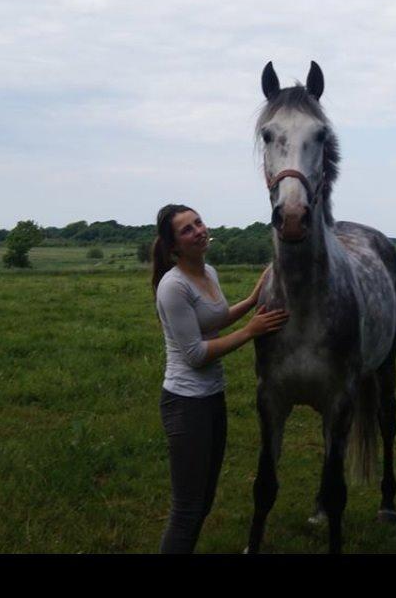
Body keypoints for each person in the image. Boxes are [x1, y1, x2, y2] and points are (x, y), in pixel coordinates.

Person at [151, 203, 288, 554]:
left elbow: (214, 319)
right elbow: (195, 354)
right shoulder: (173, 287)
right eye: (186, 229)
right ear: (173, 247)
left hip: (212, 399)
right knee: (186, 509)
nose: (197, 230)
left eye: (198, 222)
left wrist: (253, 299)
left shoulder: (208, 272)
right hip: (185, 404)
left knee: (204, 499)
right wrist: (251, 331)